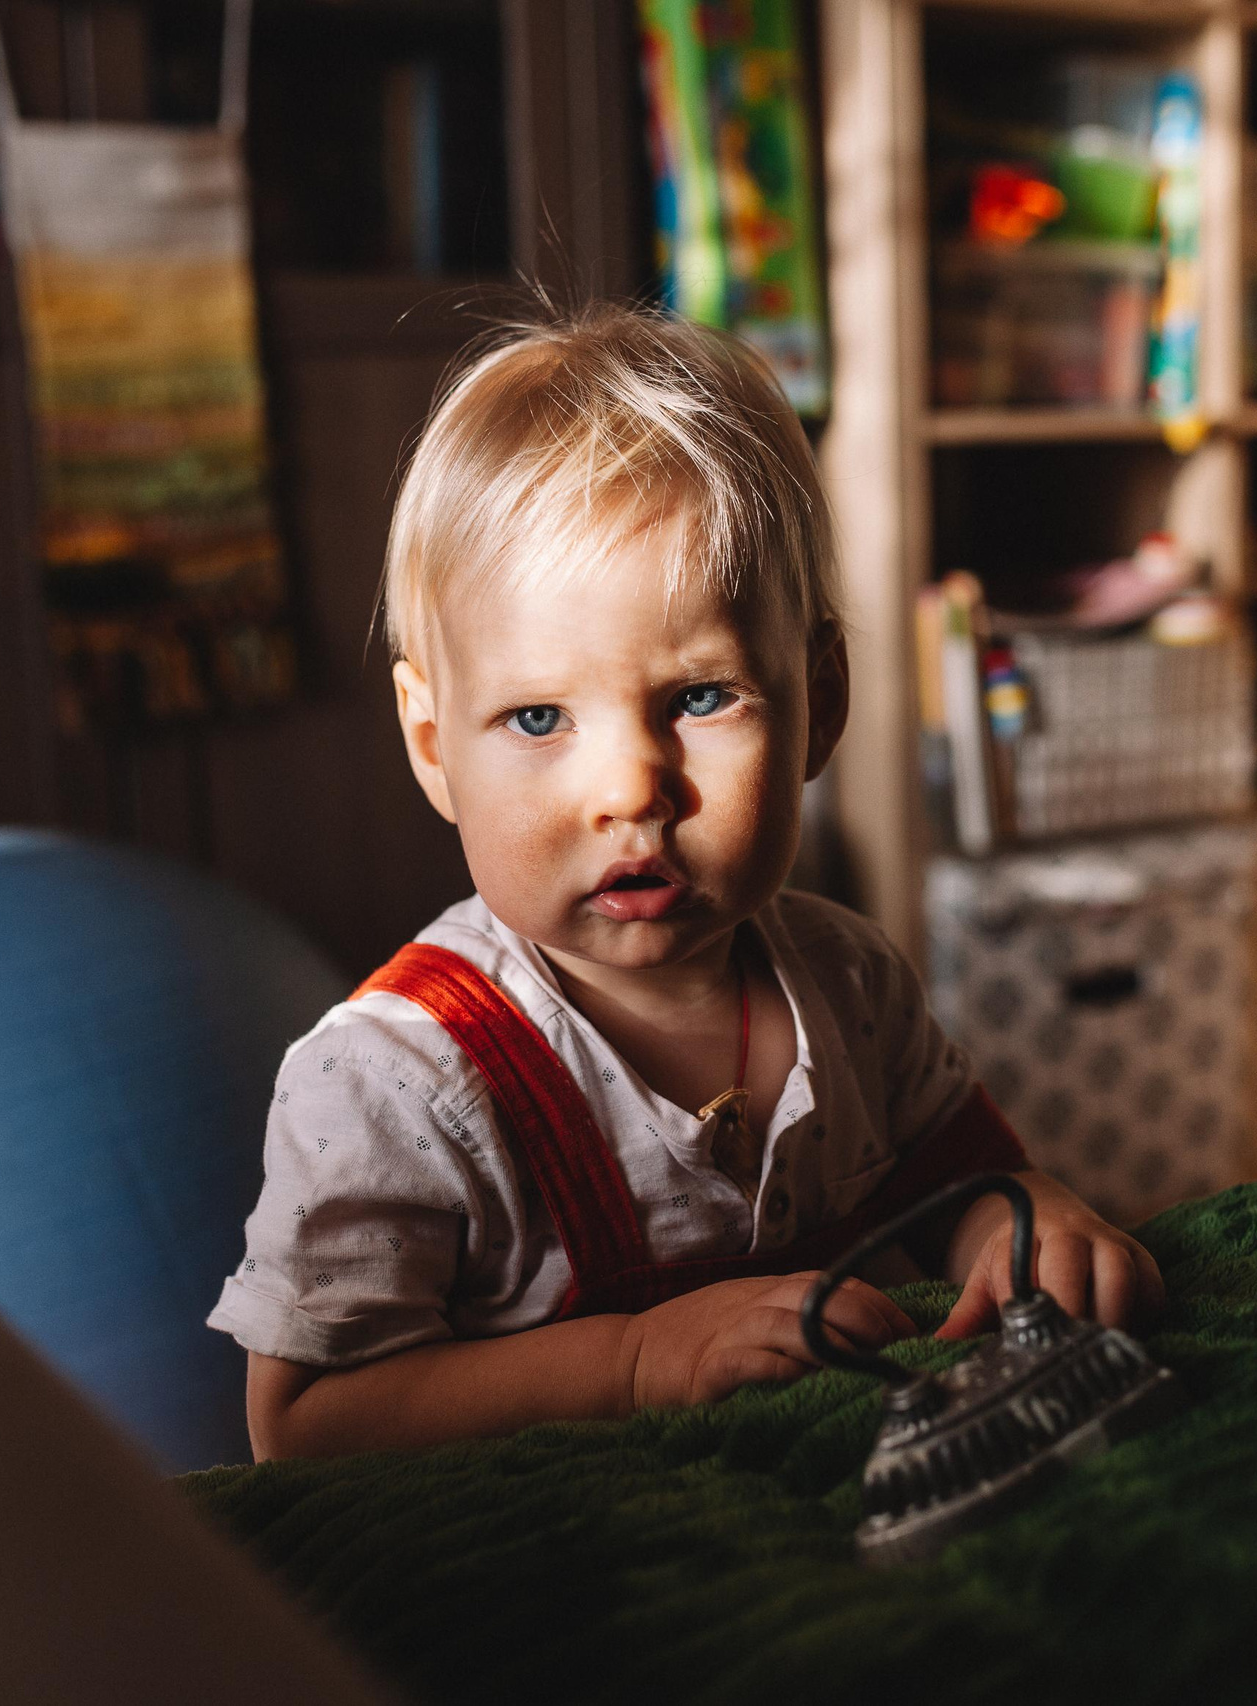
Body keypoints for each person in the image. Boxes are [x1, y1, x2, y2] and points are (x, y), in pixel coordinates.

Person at [210, 304, 1162, 1459]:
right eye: (537, 716)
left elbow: (963, 1183)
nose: (631, 788)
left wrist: (1026, 1225)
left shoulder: (850, 981)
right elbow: (302, 1424)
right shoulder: (390, 1083)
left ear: (822, 698)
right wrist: (636, 1359)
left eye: (700, 697)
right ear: (430, 744)